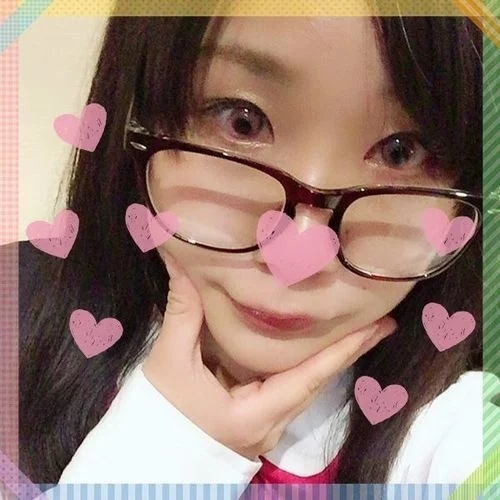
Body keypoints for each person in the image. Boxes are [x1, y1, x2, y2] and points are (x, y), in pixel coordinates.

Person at [17, 6, 484, 486]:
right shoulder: (21, 326)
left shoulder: (449, 434)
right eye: (243, 122)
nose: (299, 254)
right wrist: (171, 446)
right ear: (134, 117)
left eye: (400, 153)